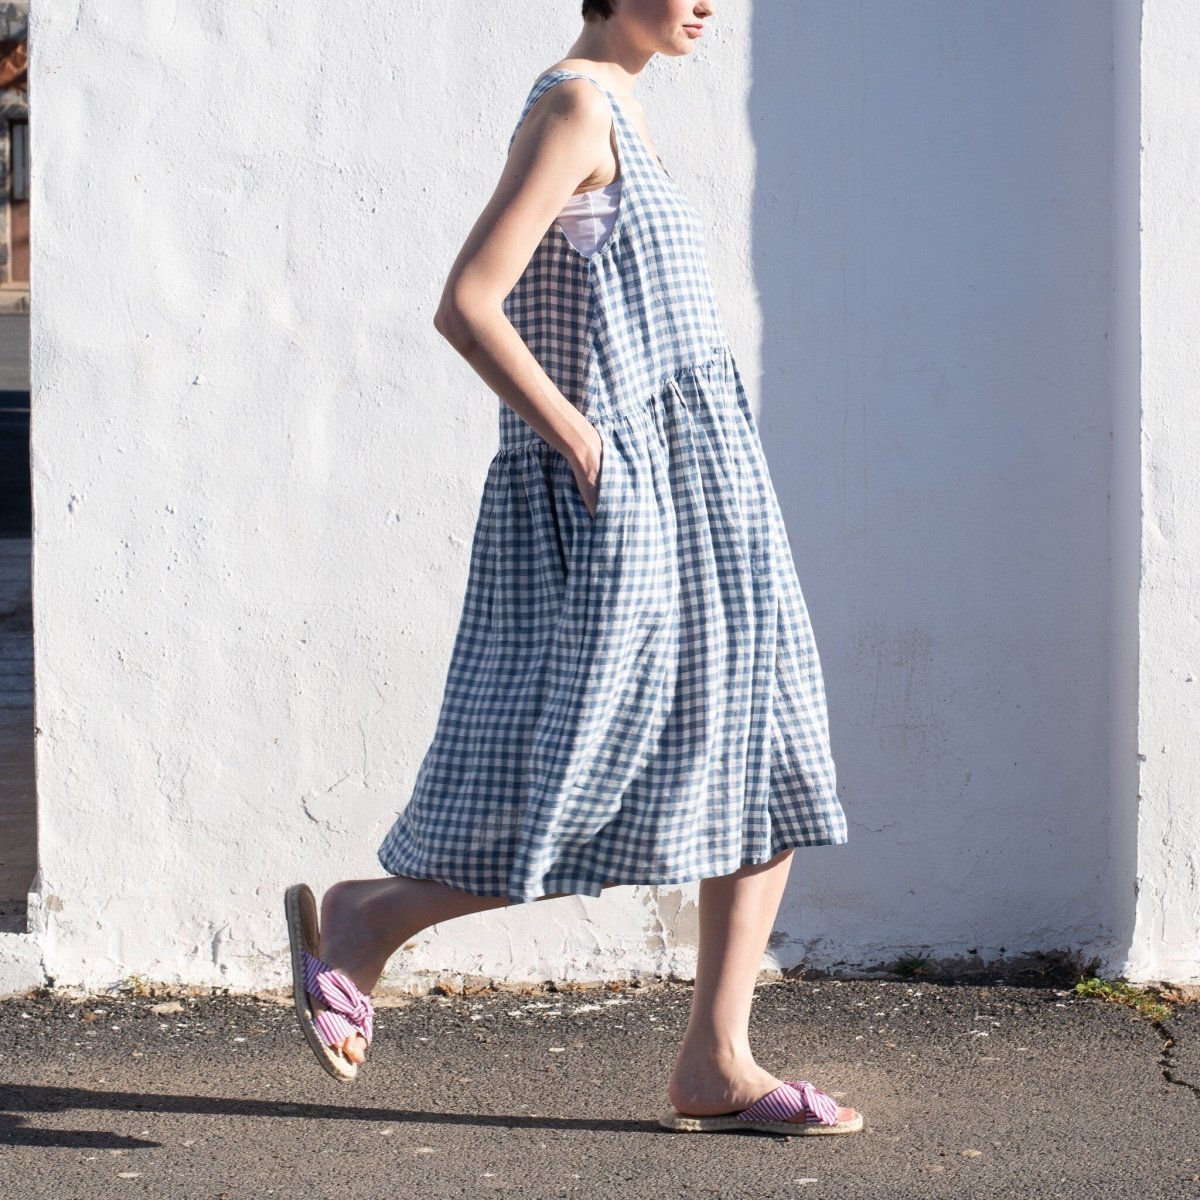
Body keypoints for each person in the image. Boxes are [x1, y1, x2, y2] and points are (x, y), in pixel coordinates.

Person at [285, 0, 863, 1136]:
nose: (707, 3)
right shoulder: (573, 105)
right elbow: (468, 302)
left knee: (769, 750)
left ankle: (717, 1058)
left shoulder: (626, 113)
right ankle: (368, 919)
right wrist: (587, 441)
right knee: (599, 770)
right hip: (637, 492)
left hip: (711, 489)